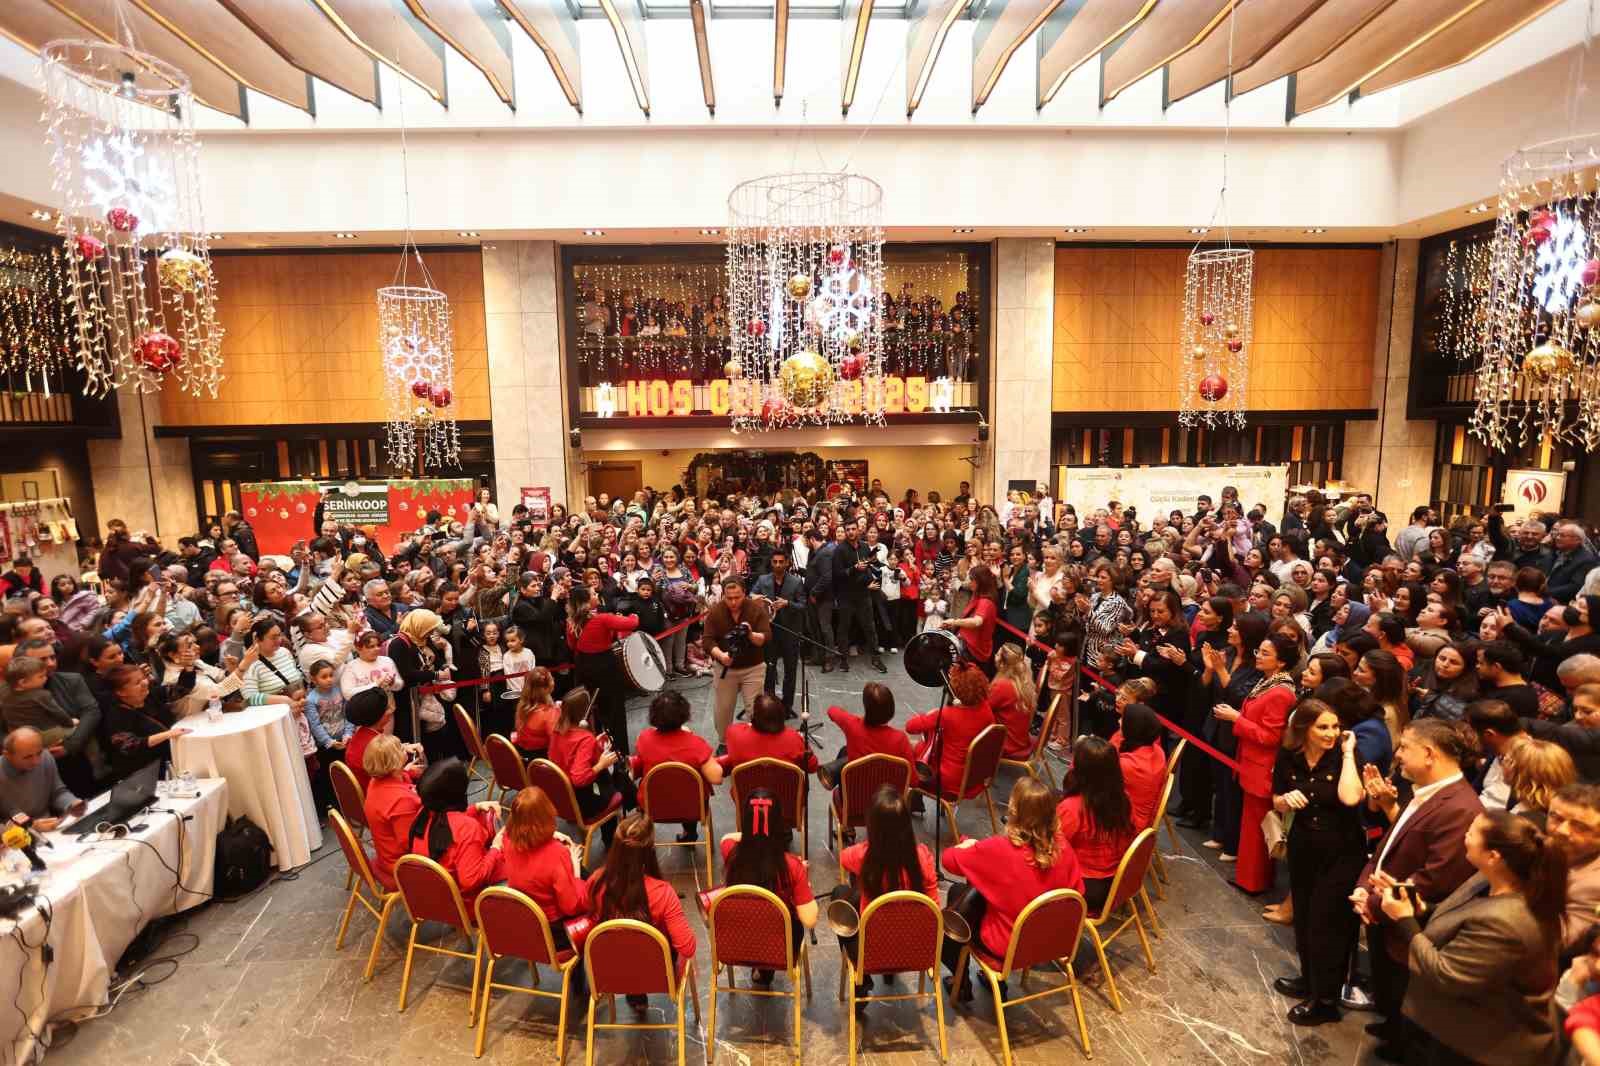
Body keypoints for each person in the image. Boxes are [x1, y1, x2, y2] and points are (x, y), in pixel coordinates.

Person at [1376, 809, 1566, 1066]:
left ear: (1493, 856)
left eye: (1472, 832)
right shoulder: (1489, 879)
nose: (1465, 834)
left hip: (1481, 1046)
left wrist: (1404, 920)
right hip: (1454, 1026)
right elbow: (1466, 916)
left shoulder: (1507, 921)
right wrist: (1422, 909)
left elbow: (1446, 974)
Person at [1352, 718, 1485, 1063]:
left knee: (1404, 1001)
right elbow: (1391, 846)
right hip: (1384, 908)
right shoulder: (1427, 791)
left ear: (1428, 754)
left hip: (1409, 923)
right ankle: (1392, 1030)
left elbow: (1434, 879)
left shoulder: (1460, 808)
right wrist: (1365, 886)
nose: (1397, 755)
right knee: (1390, 995)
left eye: (1404, 747)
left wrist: (1376, 903)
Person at [942, 776, 1084, 1000]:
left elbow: (948, 860)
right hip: (1051, 942)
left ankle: (961, 985)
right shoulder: (1064, 848)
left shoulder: (1000, 849)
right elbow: (1078, 894)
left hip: (1008, 947)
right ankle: (991, 981)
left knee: (957, 897)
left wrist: (968, 845)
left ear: (1014, 809)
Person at [1269, 700, 1365, 1026]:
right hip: (1303, 846)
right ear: (1304, 728)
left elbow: (1352, 797)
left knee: (1327, 926)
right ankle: (1310, 982)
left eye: (1335, 727)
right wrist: (1284, 801)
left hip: (1341, 853)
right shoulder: (1289, 755)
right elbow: (1276, 797)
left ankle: (1325, 1001)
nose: (1332, 733)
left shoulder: (1344, 757)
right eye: (1323, 727)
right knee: (1305, 918)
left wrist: (1349, 751)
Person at [1212, 631, 1298, 894]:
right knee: (1250, 827)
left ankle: (1254, 881)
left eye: (1265, 653)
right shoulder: (1268, 682)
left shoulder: (1281, 692)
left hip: (1263, 767)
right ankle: (1249, 878)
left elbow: (1270, 736)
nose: (1258, 656)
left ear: (1281, 662)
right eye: (1259, 651)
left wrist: (1236, 719)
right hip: (1251, 762)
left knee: (1257, 829)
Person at [584, 811, 696, 1011]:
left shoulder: (595, 881)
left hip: (609, 970)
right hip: (658, 974)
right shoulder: (663, 893)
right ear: (649, 851)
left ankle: (636, 997)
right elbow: (687, 948)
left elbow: (588, 918)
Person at [835, 786, 938, 990]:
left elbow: (843, 858)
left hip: (871, 953)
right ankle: (887, 972)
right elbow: (934, 910)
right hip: (918, 949)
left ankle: (861, 979)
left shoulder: (864, 856)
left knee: (840, 895)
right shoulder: (923, 857)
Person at [720, 786, 818, 984]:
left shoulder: (729, 852)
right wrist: (804, 882)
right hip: (780, 947)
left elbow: (727, 838)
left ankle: (761, 968)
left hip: (736, 943)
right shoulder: (792, 867)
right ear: (779, 825)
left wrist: (752, 837)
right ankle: (766, 967)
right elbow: (809, 920)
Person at [498, 785, 587, 948]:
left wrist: (551, 836)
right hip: (556, 931)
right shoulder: (557, 853)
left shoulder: (506, 839)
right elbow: (571, 906)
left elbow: (513, 830)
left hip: (528, 922)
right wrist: (575, 871)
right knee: (597, 895)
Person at [407, 758, 503, 908]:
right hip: (469, 904)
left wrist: (476, 807)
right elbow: (471, 881)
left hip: (437, 898)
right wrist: (496, 847)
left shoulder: (424, 812)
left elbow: (447, 822)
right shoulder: (468, 829)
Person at [547, 687, 636, 847]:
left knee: (614, 778)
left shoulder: (557, 730)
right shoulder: (585, 739)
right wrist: (601, 764)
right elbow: (580, 779)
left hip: (561, 797)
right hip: (582, 801)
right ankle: (611, 840)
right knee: (619, 780)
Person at [1055, 735, 1135, 911]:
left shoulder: (1072, 808)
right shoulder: (1123, 800)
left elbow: (1051, 850)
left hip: (1082, 890)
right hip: (1115, 883)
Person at [631, 689, 722, 842]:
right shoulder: (695, 743)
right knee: (688, 788)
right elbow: (717, 777)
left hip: (653, 805)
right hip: (691, 808)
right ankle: (690, 834)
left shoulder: (643, 739)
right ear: (684, 714)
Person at [565, 586, 639, 757]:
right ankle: (619, 750)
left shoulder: (571, 622)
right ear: (586, 601)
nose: (597, 594)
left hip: (584, 667)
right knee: (614, 709)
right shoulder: (602, 619)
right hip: (605, 667)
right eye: (593, 594)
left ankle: (598, 747)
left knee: (592, 709)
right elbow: (632, 623)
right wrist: (634, 615)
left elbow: (572, 646)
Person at [905, 662, 994, 804]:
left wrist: (933, 714)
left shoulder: (947, 714)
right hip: (976, 778)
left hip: (950, 784)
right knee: (924, 748)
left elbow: (910, 727)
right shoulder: (986, 709)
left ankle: (910, 799)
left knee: (909, 747)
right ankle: (916, 801)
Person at [701, 578, 772, 743]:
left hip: (753, 667)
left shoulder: (756, 609)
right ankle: (724, 742)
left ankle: (756, 742)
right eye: (729, 598)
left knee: (755, 709)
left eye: (737, 597)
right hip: (725, 669)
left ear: (744, 594)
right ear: (723, 595)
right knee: (723, 710)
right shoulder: (716, 611)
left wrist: (750, 634)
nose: (733, 602)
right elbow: (707, 641)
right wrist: (721, 656)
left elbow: (766, 637)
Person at [100, 664, 190, 782]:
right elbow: (130, 746)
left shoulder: (150, 695)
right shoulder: (116, 715)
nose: (145, 683)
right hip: (147, 772)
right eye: (137, 683)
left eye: (143, 678)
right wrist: (168, 734)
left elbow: (181, 689)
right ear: (121, 692)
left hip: (171, 758)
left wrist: (189, 668)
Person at [819, 682, 915, 791]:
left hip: (854, 800)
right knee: (845, 751)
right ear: (891, 709)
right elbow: (913, 781)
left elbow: (831, 710)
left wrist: (856, 719)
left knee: (845, 752)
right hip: (886, 803)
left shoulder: (852, 725)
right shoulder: (900, 739)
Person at [360, 733, 423, 890]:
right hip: (403, 866)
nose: (405, 749)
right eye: (401, 748)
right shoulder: (401, 801)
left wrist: (406, 773)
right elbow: (410, 844)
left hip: (386, 856)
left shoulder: (375, 782)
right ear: (394, 762)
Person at [1546, 782, 1600, 958]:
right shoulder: (1543, 844)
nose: (1562, 830)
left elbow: (1555, 943)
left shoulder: (1593, 885)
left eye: (1580, 826)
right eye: (1556, 818)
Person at [752, 548, 804, 712]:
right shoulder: (762, 579)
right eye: (775, 562)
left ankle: (787, 706)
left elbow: (803, 605)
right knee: (769, 668)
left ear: (787, 563)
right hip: (769, 631)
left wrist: (788, 604)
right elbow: (751, 596)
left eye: (781, 562)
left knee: (790, 670)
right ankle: (769, 704)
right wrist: (754, 598)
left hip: (789, 632)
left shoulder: (796, 582)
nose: (778, 565)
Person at [0, 727, 85, 828]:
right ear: (7, 755)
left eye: (39, 753)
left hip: (50, 825)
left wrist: (71, 803)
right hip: (15, 838)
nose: (36, 761)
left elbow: (57, 792)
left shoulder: (45, 756)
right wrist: (30, 827)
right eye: (27, 757)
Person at [720, 693, 818, 775]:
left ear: (754, 716)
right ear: (782, 716)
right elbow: (813, 767)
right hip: (787, 796)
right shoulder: (795, 739)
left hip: (745, 796)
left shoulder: (734, 733)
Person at [935, 564, 1000, 678]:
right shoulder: (977, 596)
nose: (968, 581)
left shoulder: (985, 602)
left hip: (974, 651)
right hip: (969, 647)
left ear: (980, 581)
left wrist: (953, 622)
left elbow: (977, 621)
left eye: (971, 579)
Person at [510, 666, 559, 760]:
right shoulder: (549, 713)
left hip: (523, 759)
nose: (553, 680)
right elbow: (556, 743)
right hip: (542, 763)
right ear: (546, 688)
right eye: (552, 678)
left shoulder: (522, 705)